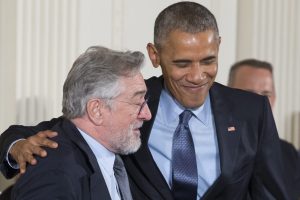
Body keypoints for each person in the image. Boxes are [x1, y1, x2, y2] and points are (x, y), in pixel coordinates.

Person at [0, 2, 295, 200]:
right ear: (155, 55)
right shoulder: (133, 103)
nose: (197, 76)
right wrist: (17, 148)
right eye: (182, 63)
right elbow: (72, 130)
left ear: (218, 46)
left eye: (208, 60)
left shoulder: (250, 112)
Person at [3, 45, 152, 199]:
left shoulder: (110, 152)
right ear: (96, 110)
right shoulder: (55, 173)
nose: (147, 114)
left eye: (145, 100)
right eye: (137, 102)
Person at [228, 58, 300, 198]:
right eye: (249, 93)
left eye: (266, 94)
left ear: (274, 98)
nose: (259, 102)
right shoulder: (211, 145)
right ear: (227, 94)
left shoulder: (289, 153)